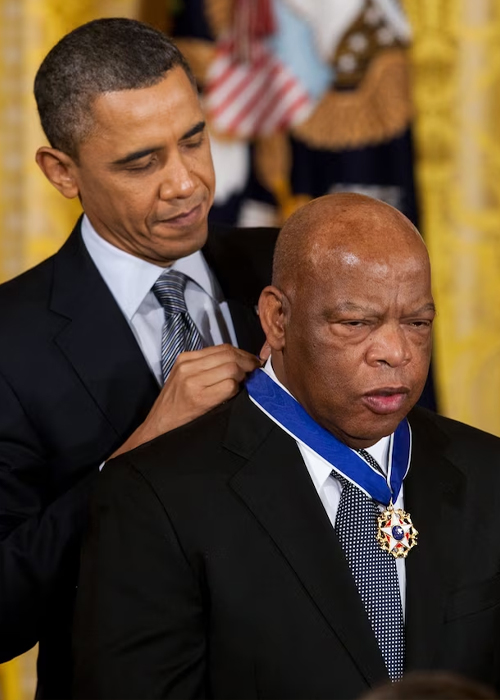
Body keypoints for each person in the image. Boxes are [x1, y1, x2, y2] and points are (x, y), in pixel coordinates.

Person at [73, 193, 500, 699]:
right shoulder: (154, 499)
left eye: (417, 323)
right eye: (356, 323)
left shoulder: (488, 472)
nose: (396, 353)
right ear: (277, 319)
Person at [0, 17, 278, 699]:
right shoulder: (9, 340)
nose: (186, 184)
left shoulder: (291, 267)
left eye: (194, 140)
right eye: (141, 162)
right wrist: (137, 456)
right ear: (61, 172)